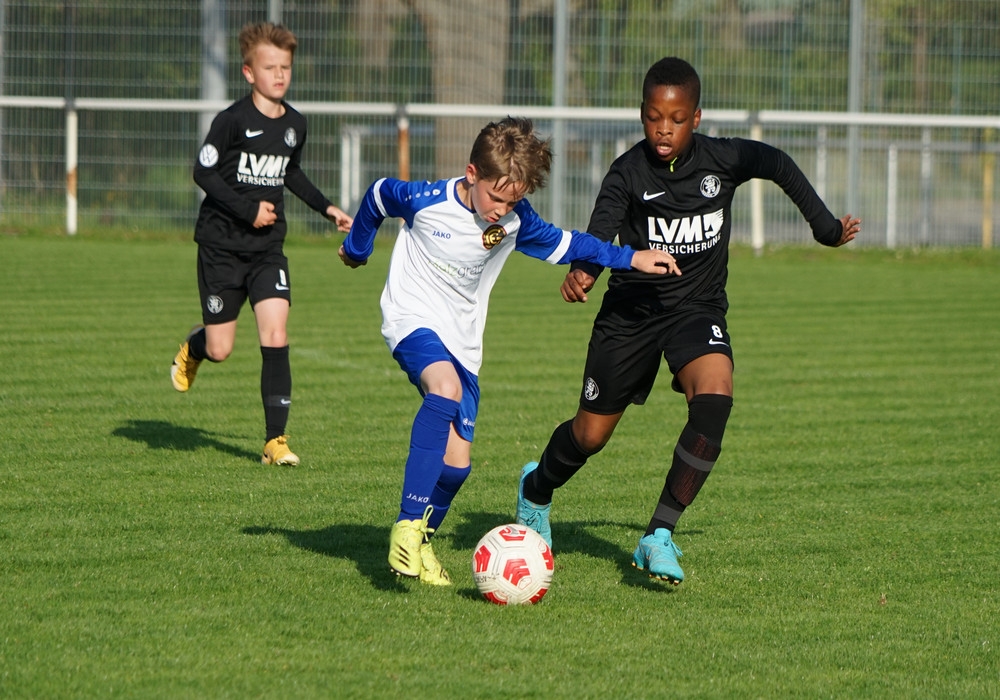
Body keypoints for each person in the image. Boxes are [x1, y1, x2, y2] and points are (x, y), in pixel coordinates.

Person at [516, 57, 862, 585]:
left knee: (716, 396)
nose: (664, 129)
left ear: (695, 118)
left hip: (696, 310)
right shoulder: (627, 172)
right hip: (631, 315)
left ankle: (658, 535)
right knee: (589, 436)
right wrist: (583, 272)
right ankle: (536, 488)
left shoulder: (723, 159)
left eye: (676, 119)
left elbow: (778, 164)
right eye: (654, 117)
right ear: (642, 114)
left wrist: (825, 228)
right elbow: (600, 230)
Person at [338, 116, 680, 585]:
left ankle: (422, 543)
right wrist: (357, 249)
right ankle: (406, 525)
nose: (501, 210)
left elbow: (570, 243)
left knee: (457, 466)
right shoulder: (425, 200)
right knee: (443, 389)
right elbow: (379, 194)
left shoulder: (517, 221)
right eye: (496, 197)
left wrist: (632, 256)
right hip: (410, 317)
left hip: (462, 339)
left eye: (512, 201)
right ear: (471, 174)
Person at [170, 21, 353, 467]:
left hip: (268, 249)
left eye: (285, 67)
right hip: (221, 247)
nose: (279, 75)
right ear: (249, 73)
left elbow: (291, 173)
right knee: (221, 349)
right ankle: (195, 346)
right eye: (270, 68)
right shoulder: (231, 121)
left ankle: (276, 441)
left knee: (276, 333)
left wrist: (327, 208)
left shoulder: (295, 125)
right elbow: (203, 172)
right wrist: (247, 210)